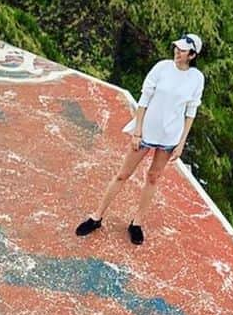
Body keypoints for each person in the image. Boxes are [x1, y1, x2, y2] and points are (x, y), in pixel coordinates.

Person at [75, 33, 205, 245]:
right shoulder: (162, 67)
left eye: (182, 50)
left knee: (153, 177)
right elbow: (144, 100)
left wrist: (181, 143)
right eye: (176, 48)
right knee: (123, 174)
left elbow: (191, 111)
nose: (177, 52)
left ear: (192, 55)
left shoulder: (197, 78)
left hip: (170, 136)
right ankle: (96, 216)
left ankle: (137, 222)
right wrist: (137, 131)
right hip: (146, 131)